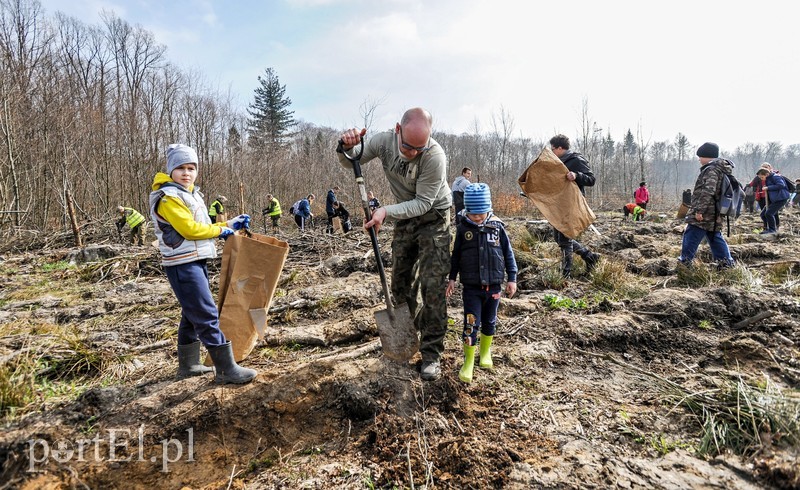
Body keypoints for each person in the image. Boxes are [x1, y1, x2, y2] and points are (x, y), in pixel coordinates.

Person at [337, 107, 451, 381]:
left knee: (432, 285)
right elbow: (351, 160)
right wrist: (344, 145)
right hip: (404, 215)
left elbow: (423, 203)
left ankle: (431, 352)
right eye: (408, 147)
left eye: (419, 149)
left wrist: (385, 211)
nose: (413, 153)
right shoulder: (383, 141)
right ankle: (403, 342)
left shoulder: (434, 156)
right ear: (397, 130)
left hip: (434, 216)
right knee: (400, 282)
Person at [148, 143, 256, 384]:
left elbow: (204, 223)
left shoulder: (190, 194)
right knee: (205, 312)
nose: (187, 173)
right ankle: (227, 369)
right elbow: (190, 229)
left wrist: (230, 224)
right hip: (181, 263)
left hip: (194, 259)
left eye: (191, 168)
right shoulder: (168, 197)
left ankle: (189, 365)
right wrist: (222, 232)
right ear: (171, 170)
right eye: (181, 168)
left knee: (191, 312)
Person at [445, 183, 517, 383]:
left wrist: (512, 278)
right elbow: (456, 256)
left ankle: (485, 353)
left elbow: (508, 254)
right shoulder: (462, 230)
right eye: (473, 214)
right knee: (471, 323)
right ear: (466, 211)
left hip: (494, 286)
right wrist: (452, 278)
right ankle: (468, 360)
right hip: (471, 288)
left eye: (481, 213)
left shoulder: (497, 228)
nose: (477, 217)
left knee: (490, 321)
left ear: (488, 209)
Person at [548, 134, 601, 278]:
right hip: (558, 204)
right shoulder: (556, 161)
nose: (551, 151)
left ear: (560, 148)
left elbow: (591, 180)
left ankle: (565, 275)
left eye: (553, 149)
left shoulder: (576, 160)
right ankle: (589, 256)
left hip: (572, 204)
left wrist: (577, 175)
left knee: (565, 238)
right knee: (558, 237)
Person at [677, 142, 735, 269]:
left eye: (700, 156)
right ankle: (726, 263)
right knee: (714, 236)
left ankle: (685, 263)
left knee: (691, 234)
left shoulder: (711, 170)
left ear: (708, 156)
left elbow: (708, 191)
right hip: (714, 213)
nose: (699, 159)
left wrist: (699, 211)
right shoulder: (719, 169)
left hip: (705, 212)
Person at [756, 167, 789, 234]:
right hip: (774, 199)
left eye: (762, 177)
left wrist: (768, 187)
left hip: (781, 198)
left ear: (767, 174)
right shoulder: (768, 179)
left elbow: (781, 185)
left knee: (769, 213)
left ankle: (772, 230)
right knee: (763, 214)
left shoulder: (775, 177)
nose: (761, 179)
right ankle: (768, 228)